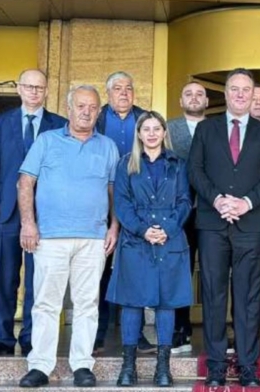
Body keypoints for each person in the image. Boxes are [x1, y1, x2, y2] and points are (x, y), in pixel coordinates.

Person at [17, 86, 119, 388]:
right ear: (69, 108)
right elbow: (25, 183)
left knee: (87, 304)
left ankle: (82, 365)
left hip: (93, 238)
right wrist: (28, 224)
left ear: (99, 112)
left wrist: (114, 227)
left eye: (93, 107)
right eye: (81, 106)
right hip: (50, 237)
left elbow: (114, 192)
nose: (86, 112)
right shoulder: (47, 141)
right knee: (46, 303)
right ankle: (40, 366)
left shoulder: (108, 146)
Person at [188, 68, 260, 387]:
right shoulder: (206, 129)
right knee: (213, 295)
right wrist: (217, 200)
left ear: (253, 95)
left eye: (246, 90)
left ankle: (247, 365)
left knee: (248, 298)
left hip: (250, 225)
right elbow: (195, 170)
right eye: (234, 89)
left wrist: (246, 203)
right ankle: (216, 365)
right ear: (225, 94)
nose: (240, 94)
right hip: (212, 223)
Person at [0, 69, 67, 358]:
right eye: (28, 86)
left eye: (39, 87)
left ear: (46, 91)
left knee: (37, 281)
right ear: (19, 89)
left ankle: (31, 338)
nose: (34, 92)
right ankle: (2, 339)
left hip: (44, 214)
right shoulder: (3, 121)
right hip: (6, 212)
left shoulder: (59, 124)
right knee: (4, 279)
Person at [107, 111, 193, 387]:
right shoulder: (126, 164)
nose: (152, 134)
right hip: (136, 241)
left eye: (157, 128)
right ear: (139, 134)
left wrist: (167, 228)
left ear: (164, 132)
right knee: (132, 303)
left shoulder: (178, 164)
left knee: (166, 303)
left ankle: (163, 369)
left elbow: (185, 201)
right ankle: (128, 367)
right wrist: (143, 229)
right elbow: (121, 204)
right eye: (147, 129)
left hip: (170, 240)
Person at [94, 71, 151, 354]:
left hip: (138, 205)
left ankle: (136, 335)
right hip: (100, 203)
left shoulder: (145, 119)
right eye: (118, 88)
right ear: (108, 93)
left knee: (136, 271)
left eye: (128, 88)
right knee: (98, 271)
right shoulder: (96, 118)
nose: (124, 93)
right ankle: (97, 335)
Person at [166, 81, 209, 354]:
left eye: (199, 94)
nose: (194, 98)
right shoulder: (168, 129)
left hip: (211, 211)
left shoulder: (218, 128)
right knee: (179, 270)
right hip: (179, 212)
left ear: (207, 101)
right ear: (181, 101)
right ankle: (179, 329)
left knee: (213, 272)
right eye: (188, 94)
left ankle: (216, 330)